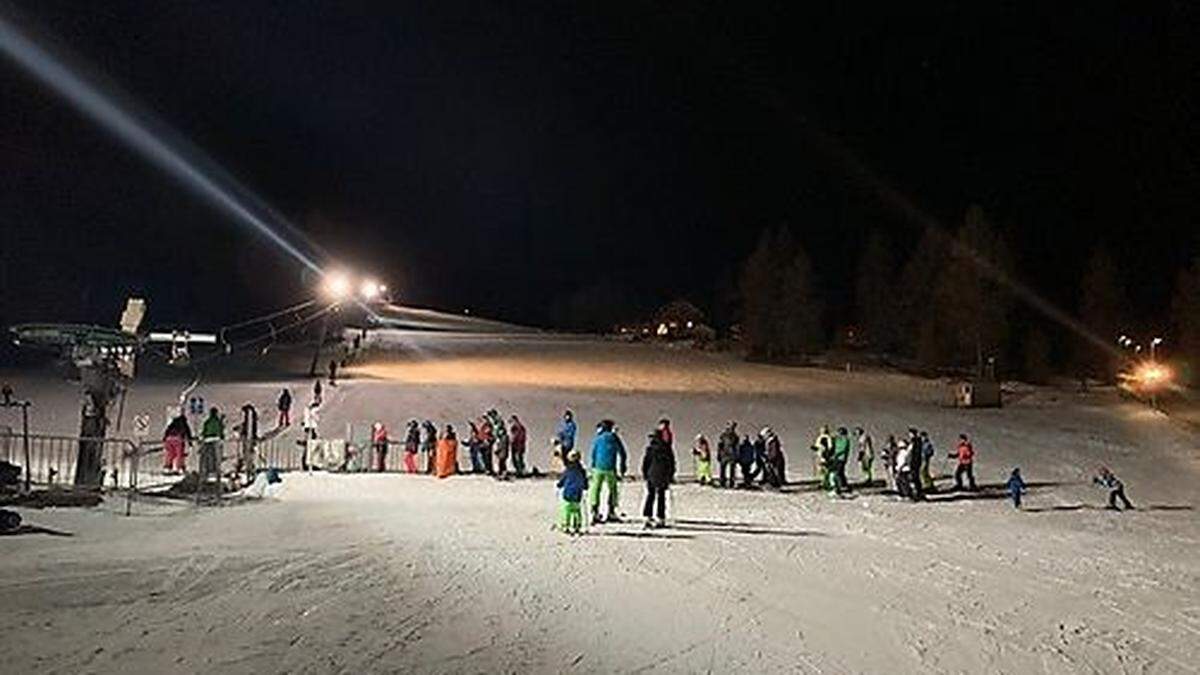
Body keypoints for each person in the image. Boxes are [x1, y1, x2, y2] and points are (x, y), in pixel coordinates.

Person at [588, 419, 627, 524]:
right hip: (610, 468)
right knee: (613, 490)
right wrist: (623, 466)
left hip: (598, 467)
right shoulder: (614, 438)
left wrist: (592, 466)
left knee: (595, 489)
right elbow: (622, 453)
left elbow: (593, 452)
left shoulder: (598, 438)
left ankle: (594, 511)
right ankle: (611, 512)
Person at [641, 432, 676, 528]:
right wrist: (670, 476)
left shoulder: (650, 449)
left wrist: (645, 475)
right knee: (661, 497)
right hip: (663, 476)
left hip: (651, 475)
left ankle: (647, 516)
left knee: (650, 496)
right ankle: (661, 518)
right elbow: (672, 463)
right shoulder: (667, 449)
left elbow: (646, 463)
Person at [557, 449, 588, 535]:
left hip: (567, 494)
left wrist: (559, 485)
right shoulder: (582, 471)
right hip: (577, 494)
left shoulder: (568, 470)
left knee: (566, 511)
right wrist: (585, 487)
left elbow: (563, 480)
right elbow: (585, 481)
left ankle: (565, 525)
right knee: (576, 511)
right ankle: (576, 526)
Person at [199, 406, 225, 483]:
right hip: (216, 439)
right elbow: (221, 430)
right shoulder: (218, 421)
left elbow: (204, 430)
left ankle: (207, 471)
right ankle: (216, 471)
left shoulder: (207, 421)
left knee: (207, 456)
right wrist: (222, 437)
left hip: (207, 439)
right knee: (217, 457)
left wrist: (202, 437)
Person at [489, 410, 511, 478]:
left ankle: (503, 472)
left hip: (502, 443)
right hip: (500, 442)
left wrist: (498, 449)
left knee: (502, 459)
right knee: (500, 459)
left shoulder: (498, 422)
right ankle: (501, 471)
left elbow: (498, 430)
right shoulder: (496, 422)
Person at [717, 422, 739, 488]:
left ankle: (730, 483)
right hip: (725, 454)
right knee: (723, 469)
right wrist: (719, 454)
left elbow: (737, 447)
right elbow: (720, 445)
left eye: (733, 427)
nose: (732, 428)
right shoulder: (723, 435)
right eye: (731, 426)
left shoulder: (735, 436)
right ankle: (722, 482)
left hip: (731, 455)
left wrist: (737, 455)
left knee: (731, 470)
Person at [811, 426, 834, 490]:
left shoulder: (827, 438)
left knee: (825, 469)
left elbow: (829, 447)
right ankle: (823, 482)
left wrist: (826, 453)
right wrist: (815, 448)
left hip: (824, 456)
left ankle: (826, 483)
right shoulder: (821, 437)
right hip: (819, 455)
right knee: (821, 470)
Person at [831, 427, 852, 495]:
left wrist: (836, 454)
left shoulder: (845, 440)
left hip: (841, 458)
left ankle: (838, 488)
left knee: (837, 473)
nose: (837, 434)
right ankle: (845, 486)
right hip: (837, 458)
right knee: (840, 473)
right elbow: (834, 443)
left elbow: (843, 449)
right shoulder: (838, 439)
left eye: (839, 432)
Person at [907, 428, 925, 500]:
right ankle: (918, 493)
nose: (909, 435)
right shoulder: (916, 441)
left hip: (915, 463)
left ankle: (917, 494)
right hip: (915, 462)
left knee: (915, 478)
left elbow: (915, 454)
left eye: (910, 434)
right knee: (915, 478)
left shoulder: (916, 442)